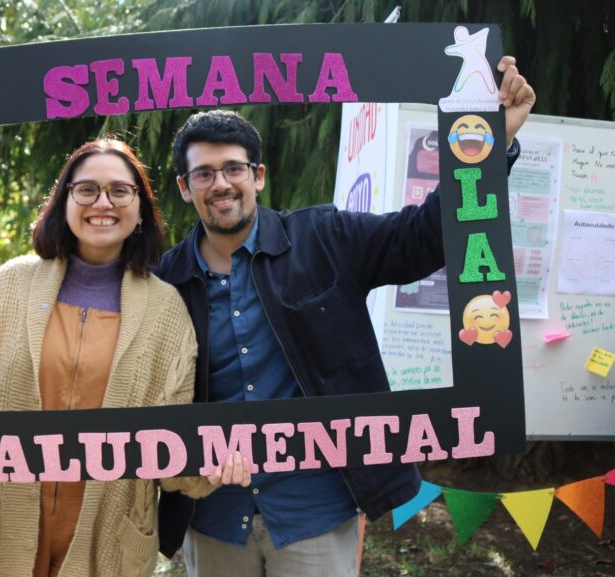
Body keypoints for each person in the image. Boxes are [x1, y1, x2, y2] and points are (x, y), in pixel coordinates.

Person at [154, 56, 536, 577]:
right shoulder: (166, 282)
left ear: (258, 177)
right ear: (185, 187)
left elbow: (422, 238)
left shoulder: (323, 237)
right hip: (214, 519)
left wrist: (491, 143)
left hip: (316, 513)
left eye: (234, 168)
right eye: (204, 173)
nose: (221, 183)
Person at [0, 139, 250, 577]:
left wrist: (214, 463)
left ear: (140, 209)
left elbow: (168, 450)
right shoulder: (9, 286)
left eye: (120, 191)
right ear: (64, 201)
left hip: (106, 544)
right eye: (87, 189)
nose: (103, 203)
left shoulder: (166, 312)